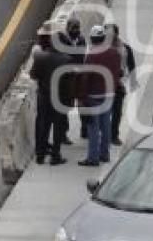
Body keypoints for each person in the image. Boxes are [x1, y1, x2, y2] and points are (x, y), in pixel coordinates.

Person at [76, 25, 121, 167]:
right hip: (109, 94)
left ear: (92, 38)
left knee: (93, 127)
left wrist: (82, 97)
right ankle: (105, 154)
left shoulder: (92, 55)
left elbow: (85, 78)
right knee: (106, 125)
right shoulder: (115, 53)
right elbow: (118, 72)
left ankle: (93, 158)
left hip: (94, 95)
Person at [29, 23, 72, 166]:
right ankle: (55, 156)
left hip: (44, 97)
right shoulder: (66, 60)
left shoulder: (40, 57)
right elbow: (70, 83)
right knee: (58, 127)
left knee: (43, 126)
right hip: (59, 99)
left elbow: (33, 75)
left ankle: (40, 155)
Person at [57, 17, 88, 142]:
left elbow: (83, 56)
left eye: (77, 27)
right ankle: (63, 134)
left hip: (79, 77)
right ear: (67, 28)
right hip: (66, 79)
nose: (76, 30)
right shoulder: (62, 41)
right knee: (65, 107)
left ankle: (85, 129)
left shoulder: (81, 40)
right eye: (73, 27)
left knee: (82, 105)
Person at [106, 23, 137, 146]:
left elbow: (132, 65)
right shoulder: (100, 48)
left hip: (119, 85)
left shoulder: (125, 49)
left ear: (117, 34)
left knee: (117, 111)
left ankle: (114, 135)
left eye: (111, 35)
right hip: (104, 85)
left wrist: (133, 81)